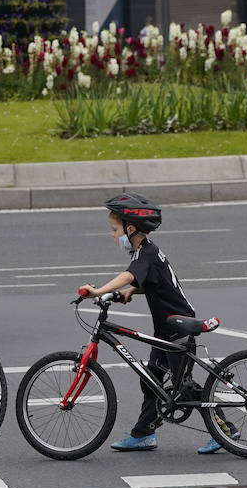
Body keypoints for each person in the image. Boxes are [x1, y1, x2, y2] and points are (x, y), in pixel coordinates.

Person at [79, 192, 221, 454]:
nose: (112, 235)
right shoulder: (145, 252)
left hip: (178, 326)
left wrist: (99, 292)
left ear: (130, 229)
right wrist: (131, 291)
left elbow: (129, 275)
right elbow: (152, 281)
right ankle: (143, 433)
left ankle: (225, 431)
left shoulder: (146, 254)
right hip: (166, 327)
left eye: (114, 230)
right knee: (151, 379)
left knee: (185, 387)